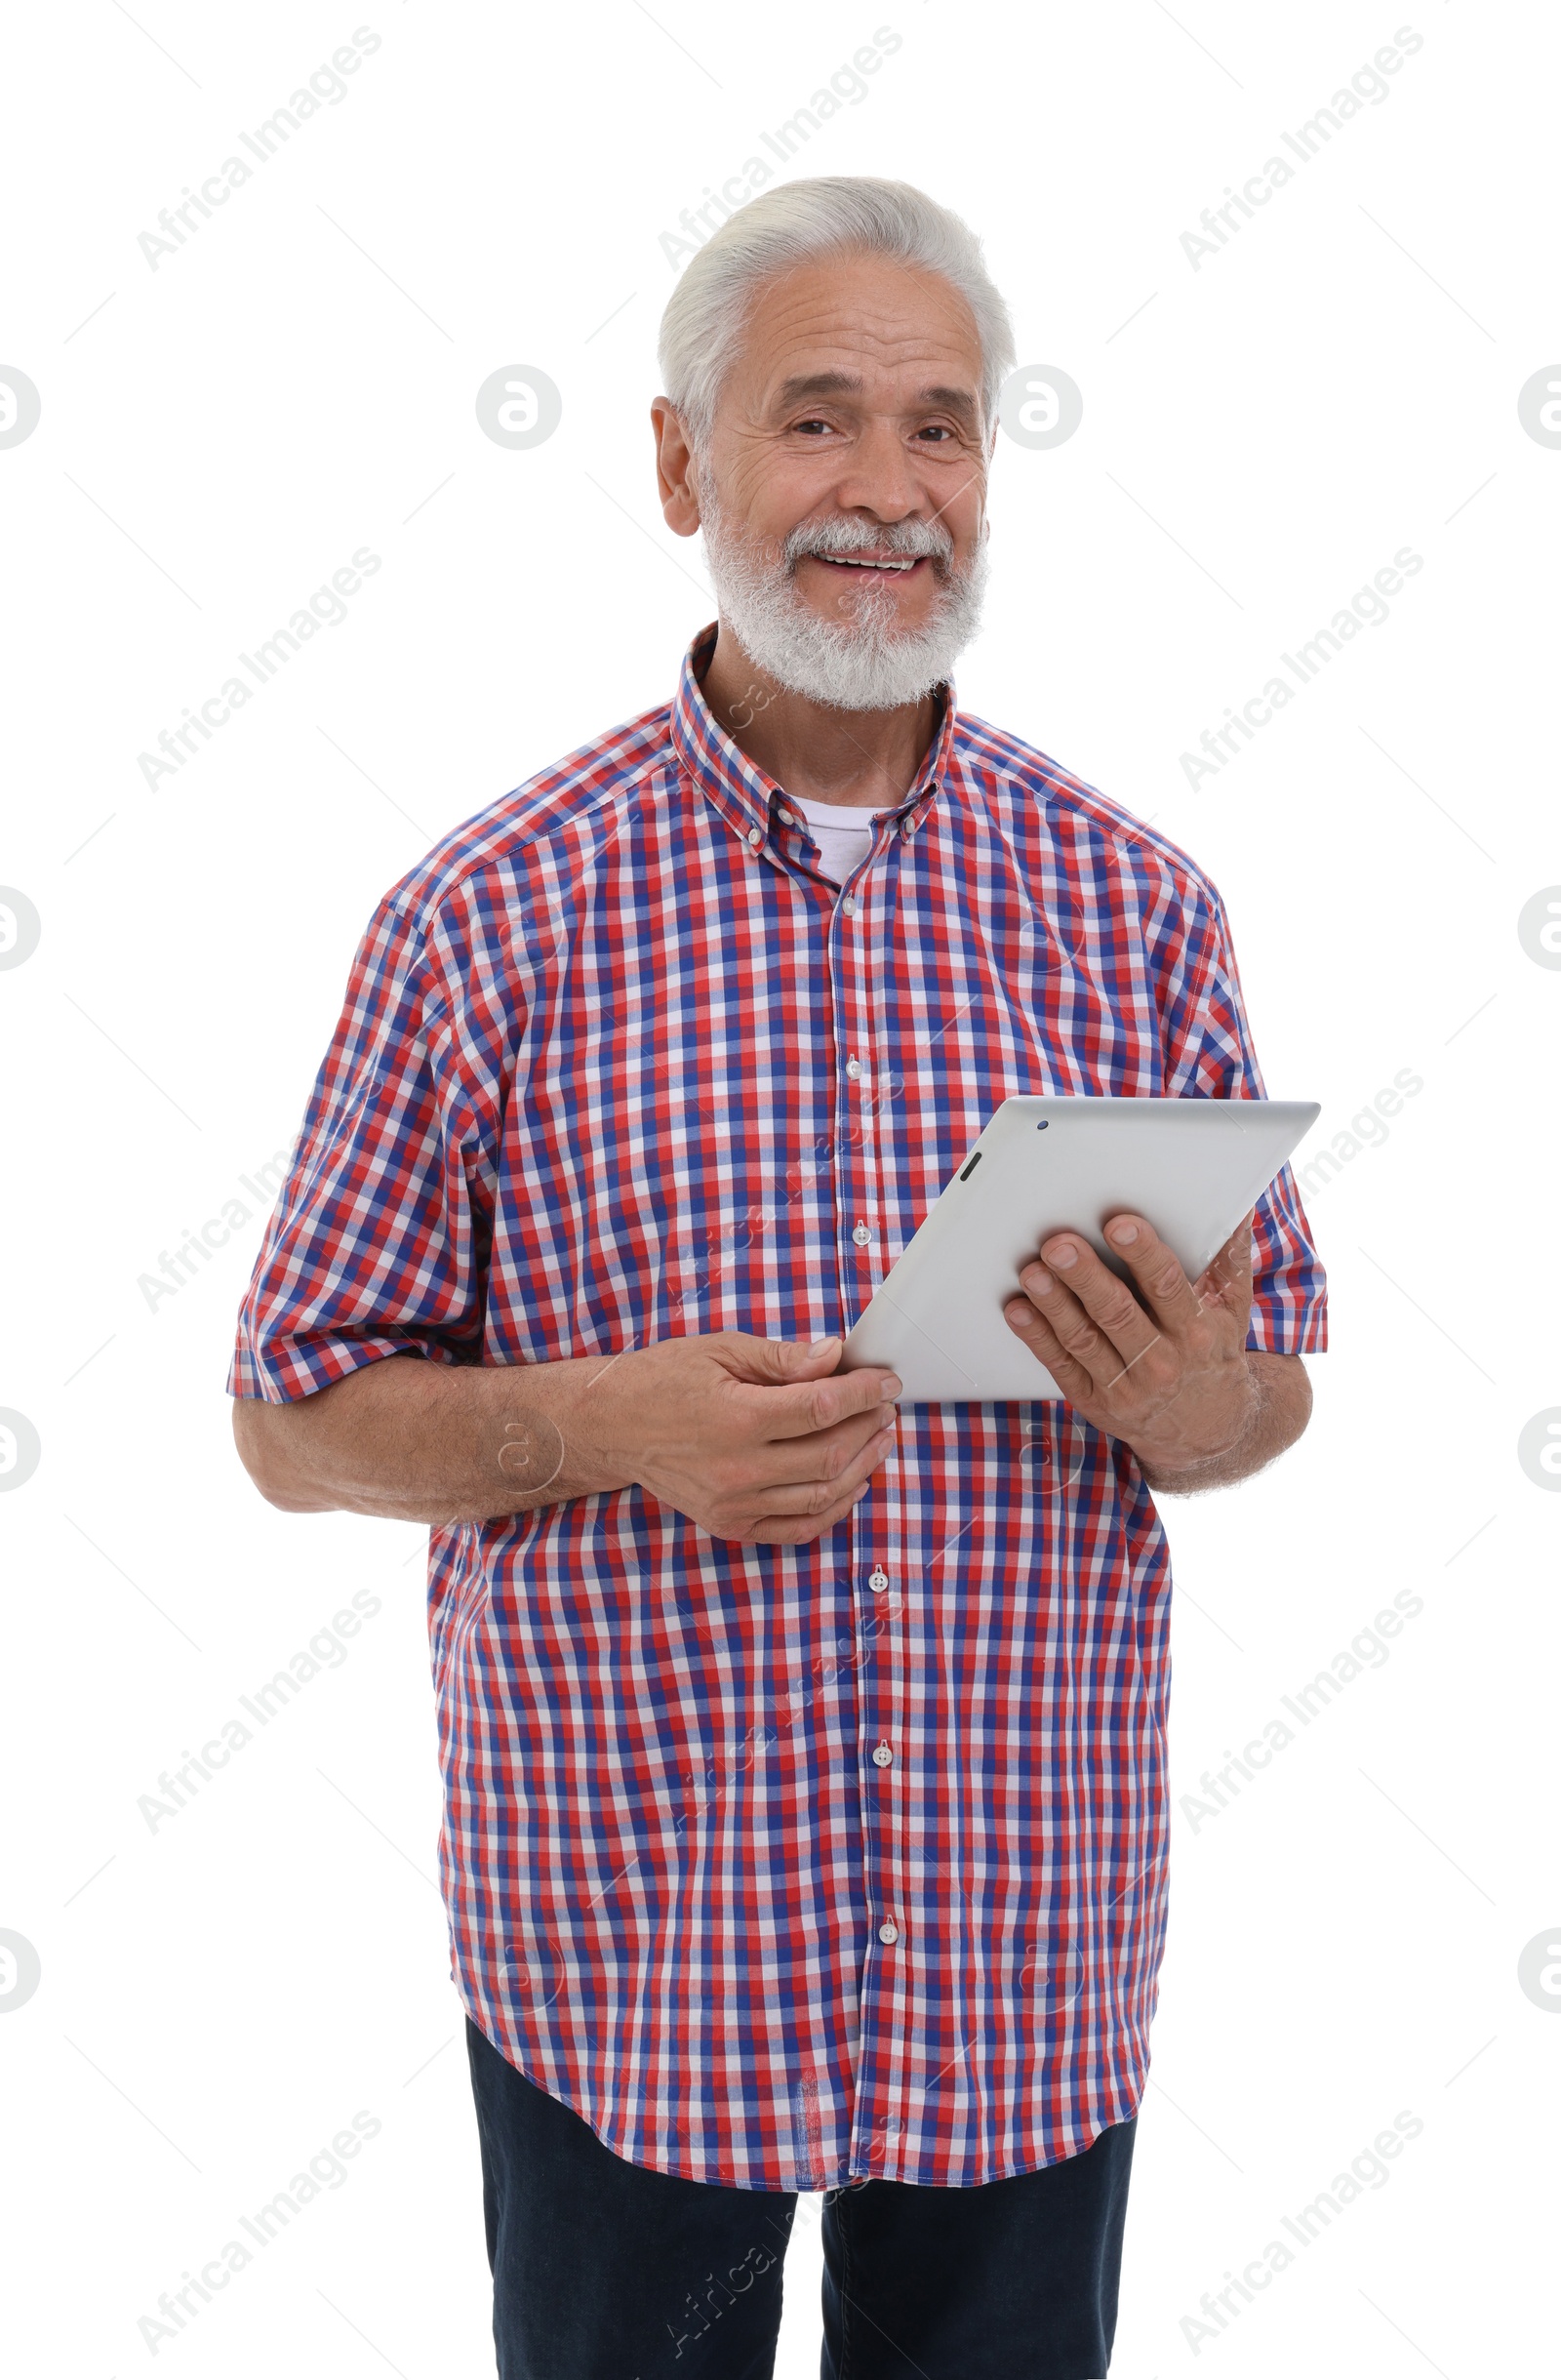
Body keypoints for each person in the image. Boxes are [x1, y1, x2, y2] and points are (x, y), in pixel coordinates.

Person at [229, 176, 1326, 2379]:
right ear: (677, 466)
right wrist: (600, 1423)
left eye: (938, 429)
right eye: (813, 421)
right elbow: (288, 1407)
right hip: (633, 1944)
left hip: (1021, 1949)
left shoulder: (1132, 907)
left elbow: (1269, 1375)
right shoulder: (488, 918)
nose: (885, 493)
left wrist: (1189, 1406)